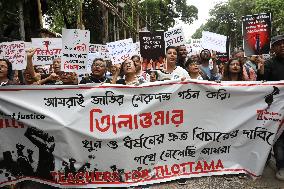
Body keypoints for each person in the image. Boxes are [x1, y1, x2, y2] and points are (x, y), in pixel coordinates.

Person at [258, 34, 284, 181]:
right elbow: (261, 85)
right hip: (274, 108)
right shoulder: (269, 64)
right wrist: (261, 70)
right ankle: (278, 164)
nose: (282, 46)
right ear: (273, 48)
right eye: (278, 44)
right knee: (276, 136)